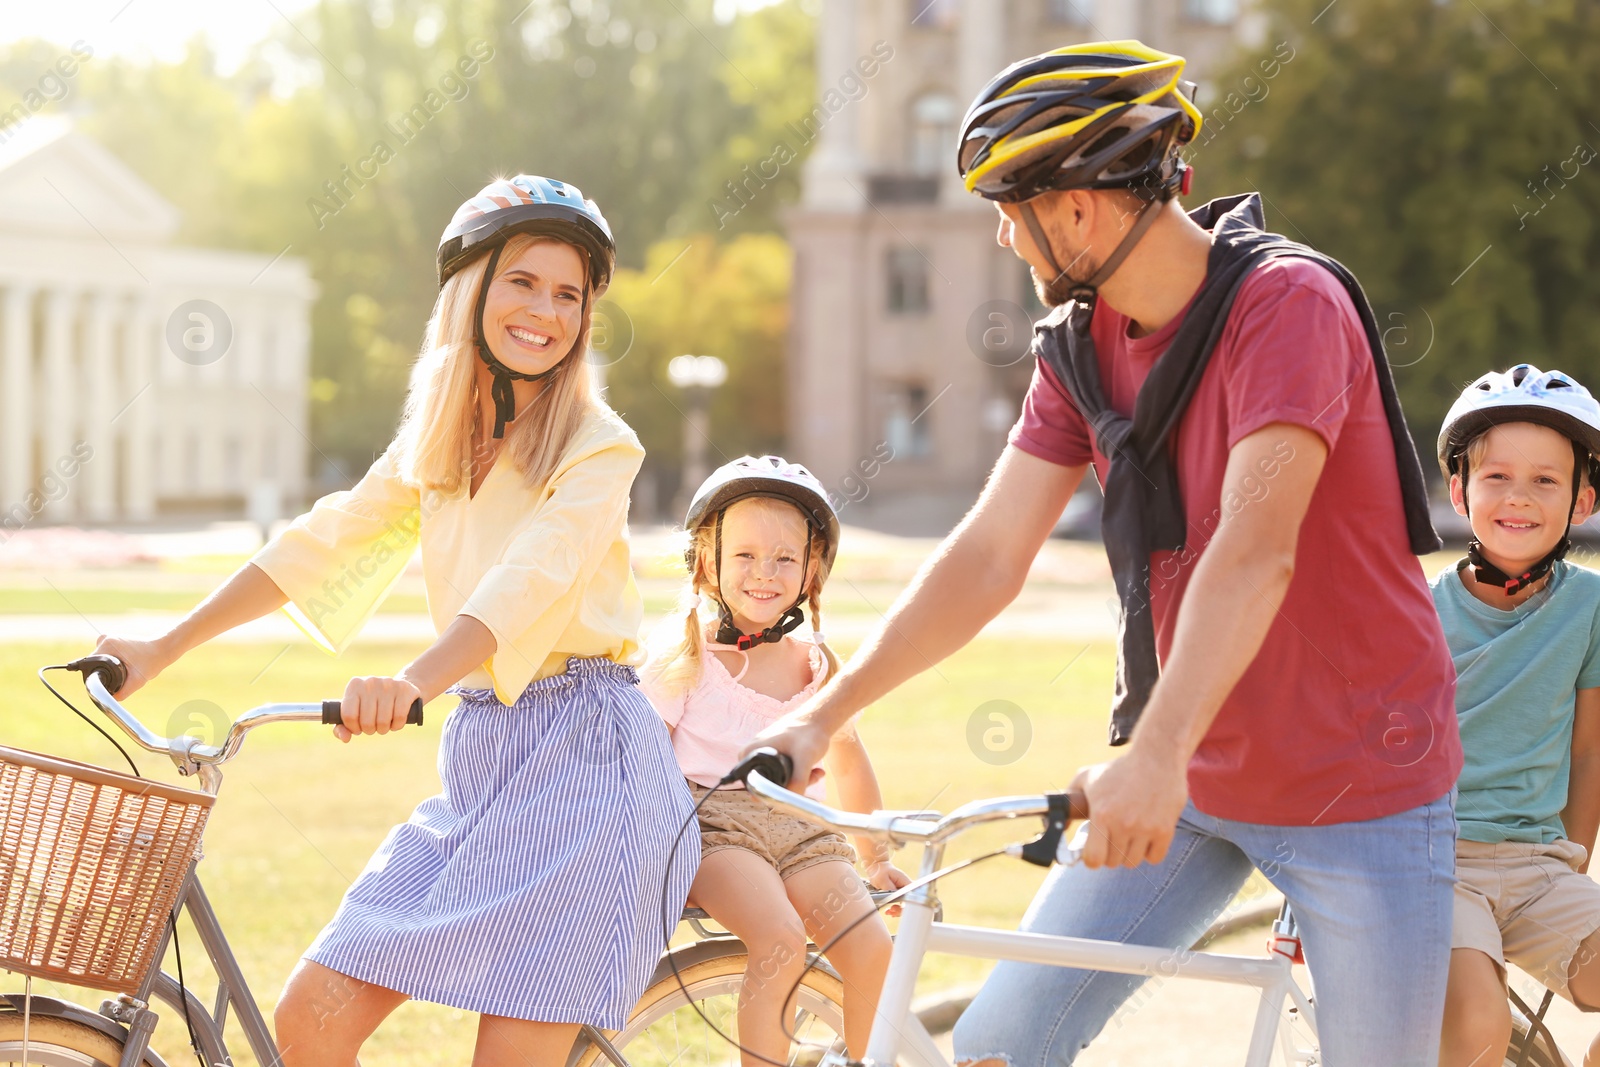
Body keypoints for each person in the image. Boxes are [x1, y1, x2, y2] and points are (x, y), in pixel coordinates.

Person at [745, 41, 1462, 1065]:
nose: (1000, 233)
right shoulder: (1082, 347)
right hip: (1197, 768)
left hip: (1359, 782)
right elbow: (990, 553)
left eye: (1008, 205)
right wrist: (825, 708)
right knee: (997, 1047)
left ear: (1077, 208)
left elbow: (1253, 550)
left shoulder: (1286, 306)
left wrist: (1156, 753)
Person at [88, 175, 696, 1067]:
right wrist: (162, 647)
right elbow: (323, 540)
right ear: (471, 287)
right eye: (523, 281)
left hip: (593, 768)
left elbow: (531, 578)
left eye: (570, 293)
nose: (547, 311)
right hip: (488, 754)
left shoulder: (600, 443)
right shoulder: (437, 443)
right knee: (312, 1017)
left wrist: (414, 679)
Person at [639, 456, 907, 1066]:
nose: (765, 573)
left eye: (785, 558)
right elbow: (641, 761)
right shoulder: (684, 656)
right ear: (707, 562)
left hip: (801, 830)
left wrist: (879, 857)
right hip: (713, 828)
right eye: (745, 556)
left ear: (812, 571)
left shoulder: (816, 664)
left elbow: (847, 757)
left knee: (872, 948)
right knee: (781, 939)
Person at [1432, 366, 1600, 1067]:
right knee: (1475, 1029)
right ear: (1458, 489)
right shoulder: (1415, 612)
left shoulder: (1590, 608)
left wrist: (1569, 873)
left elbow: (1589, 753)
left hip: (1542, 867)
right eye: (1496, 476)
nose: (1518, 498)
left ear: (1584, 499)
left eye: (1545, 480)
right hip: (1434, 865)